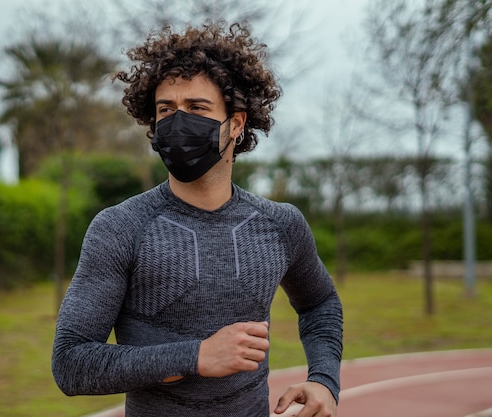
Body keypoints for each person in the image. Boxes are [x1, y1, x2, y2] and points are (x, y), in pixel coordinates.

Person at [52, 20, 343, 417]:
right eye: (166, 109)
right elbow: (71, 363)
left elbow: (320, 303)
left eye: (196, 108)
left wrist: (324, 378)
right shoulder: (120, 228)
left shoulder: (280, 224)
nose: (177, 121)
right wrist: (195, 356)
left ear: (237, 123)